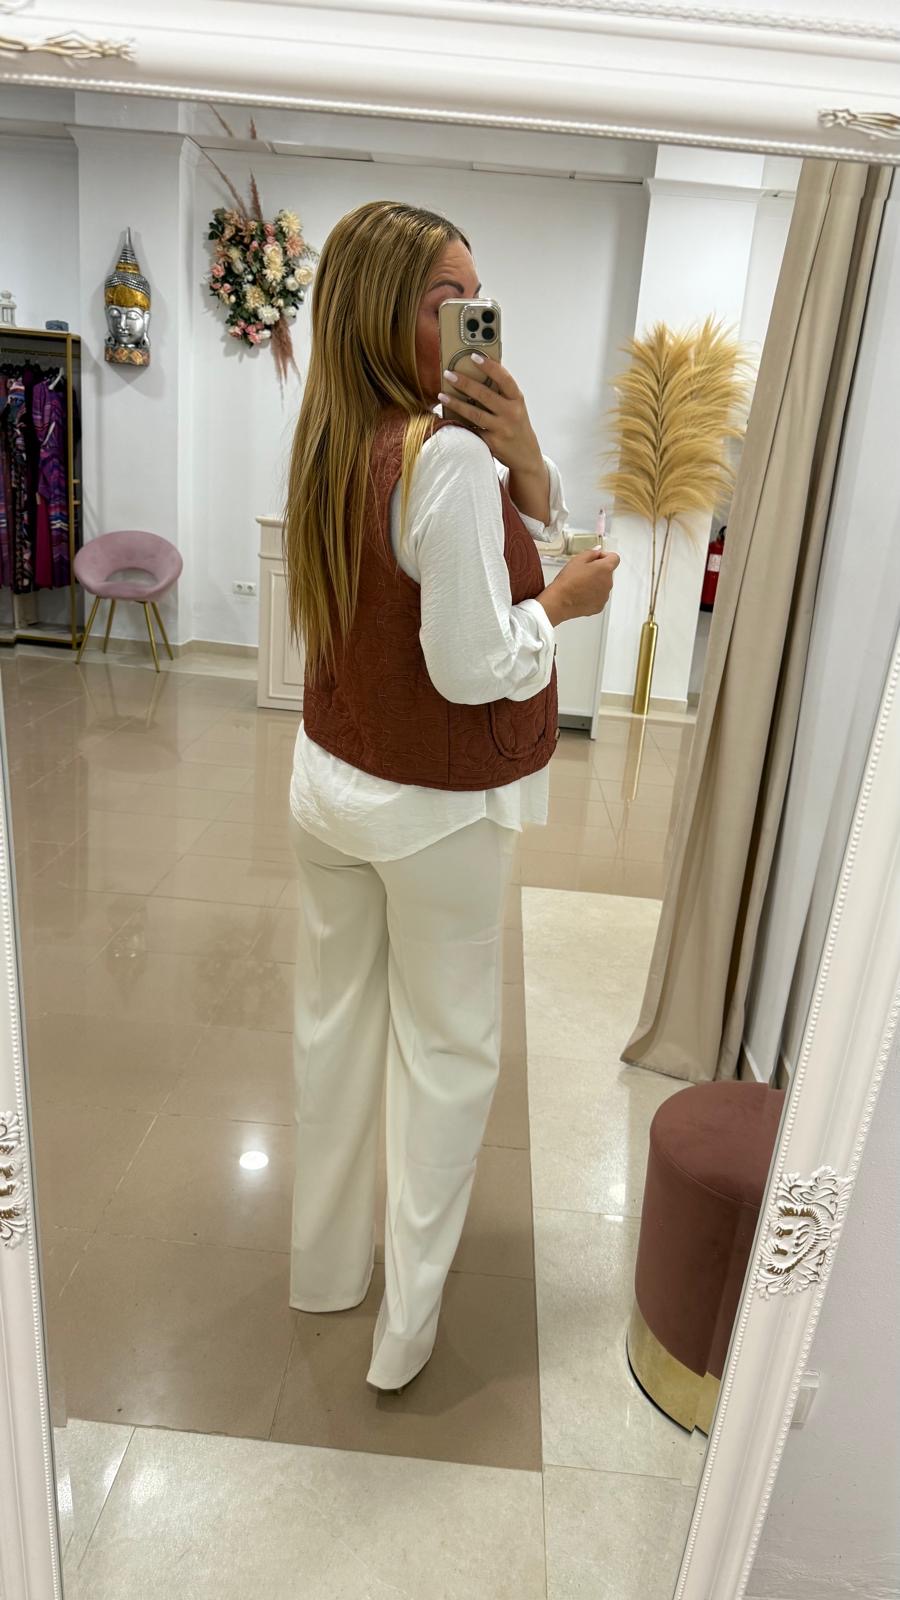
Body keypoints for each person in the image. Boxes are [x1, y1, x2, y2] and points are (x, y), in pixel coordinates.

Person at [283, 199, 619, 1394]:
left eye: (478, 300)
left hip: (329, 780)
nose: (474, 321)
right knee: (447, 1049)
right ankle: (406, 1329)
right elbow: (474, 664)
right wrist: (561, 606)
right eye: (446, 302)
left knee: (333, 1029)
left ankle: (326, 1270)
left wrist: (526, 458)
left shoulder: (333, 436)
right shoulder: (448, 458)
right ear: (385, 311)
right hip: (431, 806)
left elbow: (465, 556)